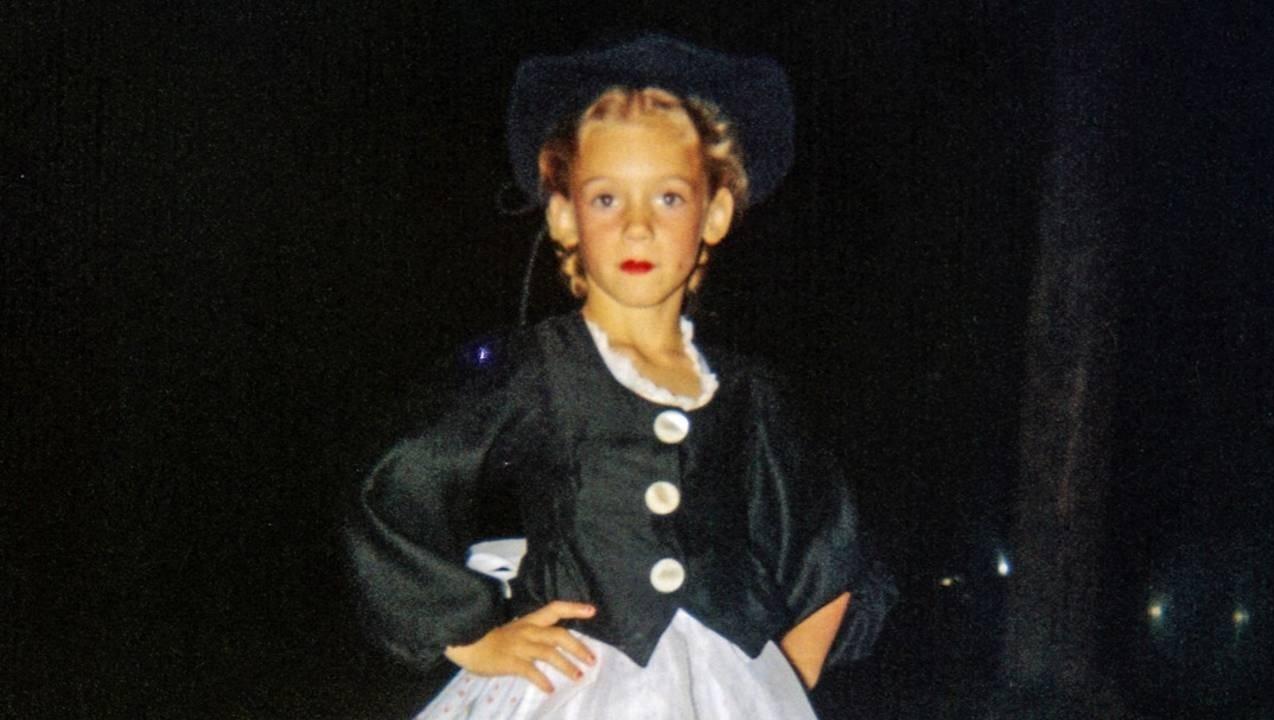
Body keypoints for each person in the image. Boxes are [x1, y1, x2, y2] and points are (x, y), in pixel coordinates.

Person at [345, 35, 894, 719]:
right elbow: (397, 482)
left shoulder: (750, 394)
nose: (638, 227)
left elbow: (827, 543)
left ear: (715, 214)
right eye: (606, 199)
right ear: (564, 215)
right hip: (574, 684)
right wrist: (469, 636)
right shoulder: (540, 369)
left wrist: (783, 683)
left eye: (669, 197)